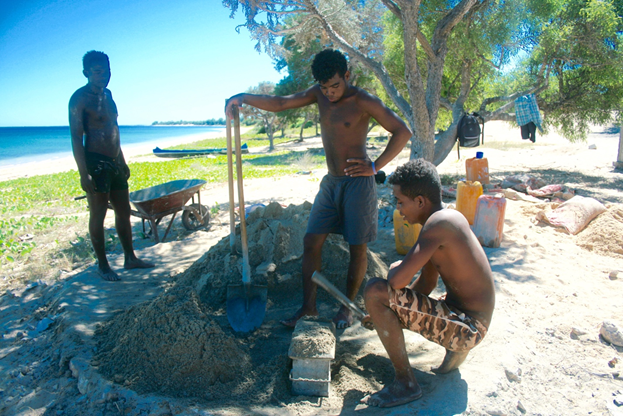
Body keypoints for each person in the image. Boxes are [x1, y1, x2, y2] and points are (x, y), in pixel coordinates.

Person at [225, 49, 412, 328]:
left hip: (358, 184)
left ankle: (346, 309)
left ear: (346, 76)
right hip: (331, 182)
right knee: (311, 241)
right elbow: (280, 102)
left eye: (335, 85)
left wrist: (374, 167)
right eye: (324, 87)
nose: (330, 93)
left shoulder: (363, 100)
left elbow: (403, 131)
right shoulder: (319, 94)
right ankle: (308, 308)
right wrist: (241, 98)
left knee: (357, 248)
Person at [360, 159, 495, 408]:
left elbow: (396, 280)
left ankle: (406, 383)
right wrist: (386, 312)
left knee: (375, 290)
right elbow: (427, 282)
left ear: (420, 201)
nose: (399, 210)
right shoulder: (445, 219)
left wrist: (390, 282)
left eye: (401, 202)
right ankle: (455, 349)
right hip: (467, 320)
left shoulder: (438, 225)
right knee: (383, 297)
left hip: (469, 327)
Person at [69, 50, 154, 281]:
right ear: (86, 73)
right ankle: (103, 266)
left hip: (116, 161)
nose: (103, 76)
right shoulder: (79, 99)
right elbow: (77, 138)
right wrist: (83, 173)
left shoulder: (109, 95)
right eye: (97, 72)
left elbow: (113, 130)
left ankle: (130, 258)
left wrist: (122, 160)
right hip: (95, 163)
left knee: (124, 211)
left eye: (106, 71)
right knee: (98, 215)